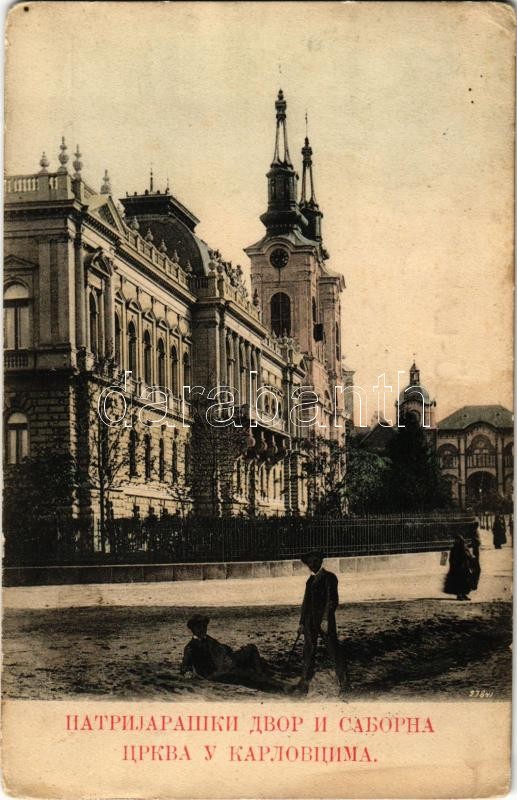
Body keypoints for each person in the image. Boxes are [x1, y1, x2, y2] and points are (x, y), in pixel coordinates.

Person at [180, 614, 286, 692]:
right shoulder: (190, 647)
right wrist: (188, 673)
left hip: (227, 662)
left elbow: (223, 648)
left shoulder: (209, 639)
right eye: (199, 627)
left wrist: (229, 652)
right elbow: (185, 667)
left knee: (251, 648)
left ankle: (261, 673)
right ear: (193, 629)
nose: (203, 629)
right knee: (246, 674)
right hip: (215, 673)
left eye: (204, 626)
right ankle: (281, 686)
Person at [290, 550, 348, 696]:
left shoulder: (329, 578)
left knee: (334, 650)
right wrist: (302, 623)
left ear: (320, 561)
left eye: (315, 561)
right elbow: (305, 604)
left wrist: (326, 619)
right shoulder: (309, 581)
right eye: (309, 562)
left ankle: (345, 683)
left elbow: (332, 600)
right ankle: (304, 683)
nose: (312, 564)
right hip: (310, 622)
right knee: (308, 651)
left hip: (324, 621)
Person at [443, 534, 473, 601]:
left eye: (458, 540)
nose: (457, 541)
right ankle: (459, 595)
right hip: (458, 568)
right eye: (456, 540)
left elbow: (468, 555)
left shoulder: (464, 547)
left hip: (465, 567)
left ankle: (464, 594)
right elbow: (451, 559)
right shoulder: (454, 548)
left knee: (465, 581)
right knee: (459, 581)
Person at [469, 522, 481, 591]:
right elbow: (477, 541)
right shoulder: (474, 532)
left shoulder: (474, 532)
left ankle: (473, 585)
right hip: (475, 552)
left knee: (476, 569)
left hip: (475, 551)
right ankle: (473, 585)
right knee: (477, 570)